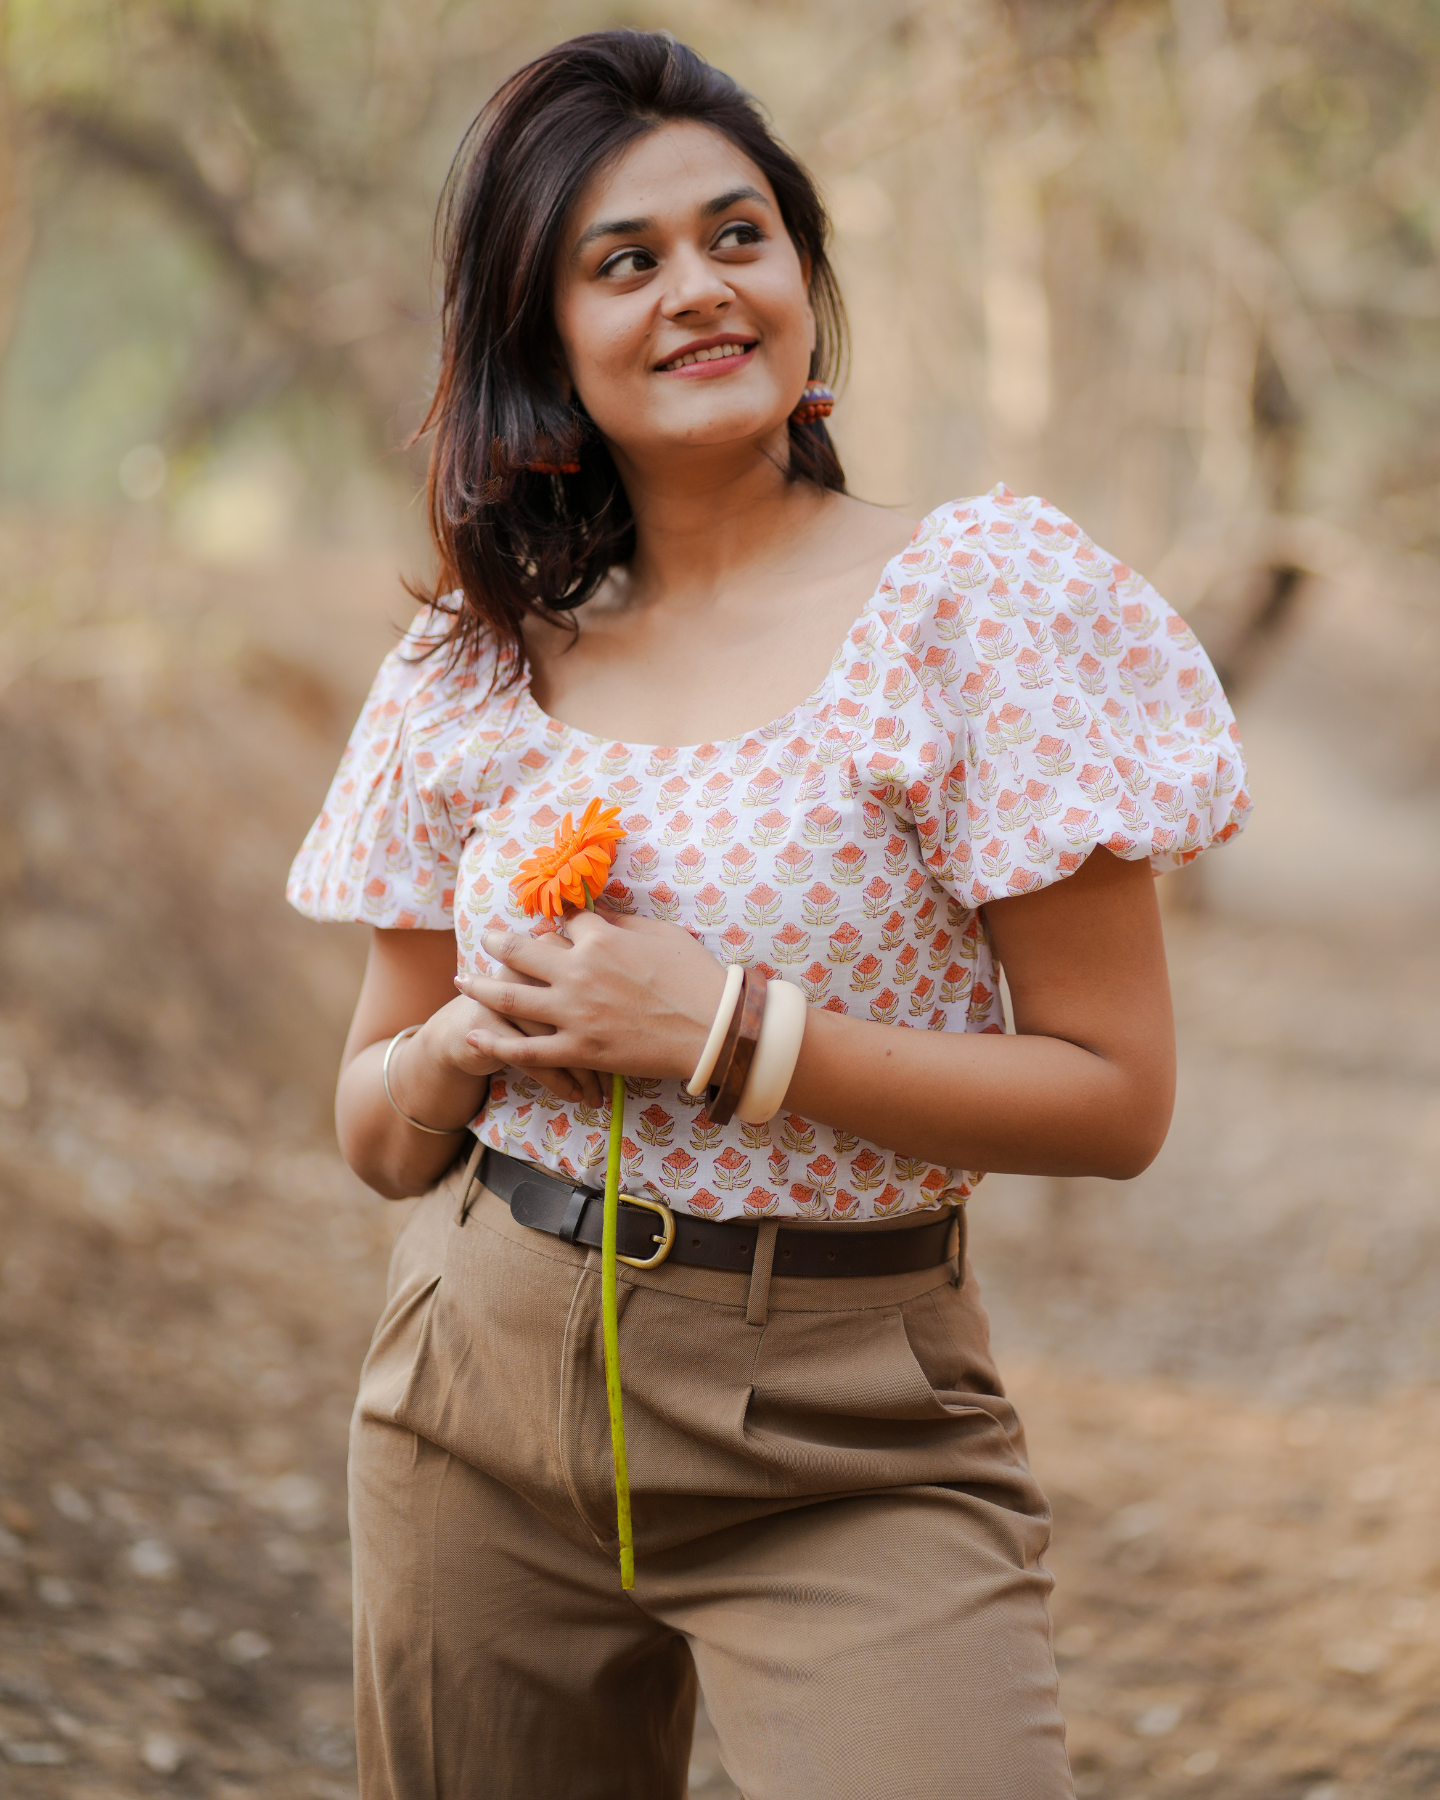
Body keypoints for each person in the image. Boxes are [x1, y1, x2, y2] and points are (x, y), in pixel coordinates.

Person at [287, 28, 1248, 1800]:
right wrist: (464, 1037)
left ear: (804, 275)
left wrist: (736, 1033)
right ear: (544, 337)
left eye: (740, 236)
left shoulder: (980, 603)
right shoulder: (469, 665)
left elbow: (1117, 1097)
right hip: (470, 1403)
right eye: (623, 260)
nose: (700, 290)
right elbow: (369, 1127)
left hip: (849, 1429)